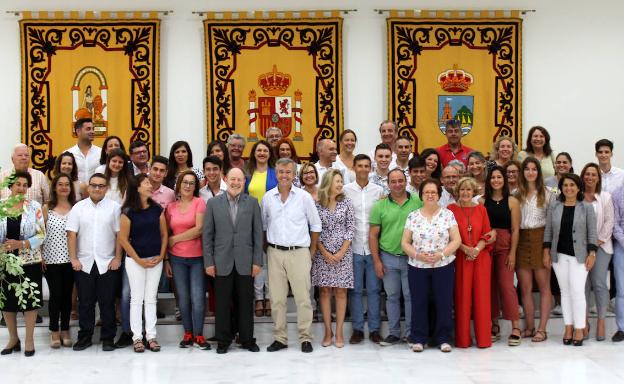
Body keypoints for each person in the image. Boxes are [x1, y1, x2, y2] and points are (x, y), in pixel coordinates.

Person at [262, 158, 322, 353]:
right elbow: (263, 226)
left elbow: (315, 225)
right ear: (276, 173)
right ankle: (280, 338)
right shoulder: (268, 198)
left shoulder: (304, 197)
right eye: (281, 172)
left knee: (303, 297)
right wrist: (268, 249)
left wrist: (311, 251)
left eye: (288, 172)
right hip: (275, 252)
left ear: (294, 174)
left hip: (299, 252)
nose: (284, 175)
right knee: (277, 299)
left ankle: (305, 337)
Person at [203, 168, 263, 354]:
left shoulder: (252, 203)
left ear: (244, 182)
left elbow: (257, 234)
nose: (236, 183)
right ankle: (223, 340)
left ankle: (246, 339)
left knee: (245, 303)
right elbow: (208, 236)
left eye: (239, 180)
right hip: (221, 262)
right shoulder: (213, 204)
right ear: (225, 180)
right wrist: (209, 262)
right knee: (222, 303)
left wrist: (257, 262)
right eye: (232, 179)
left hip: (246, 261)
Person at [401, 178, 461, 352]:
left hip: (443, 266)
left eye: (433, 192)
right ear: (421, 195)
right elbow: (405, 242)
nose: (430, 195)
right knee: (419, 302)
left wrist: (441, 254)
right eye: (426, 192)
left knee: (443, 301)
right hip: (418, 267)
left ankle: (443, 338)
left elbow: (456, 240)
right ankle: (419, 338)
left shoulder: (447, 215)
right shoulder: (413, 216)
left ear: (439, 195)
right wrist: (418, 255)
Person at [67, 173, 122, 352]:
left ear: (106, 188)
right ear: (88, 187)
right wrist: (73, 258)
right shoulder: (78, 208)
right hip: (84, 263)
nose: (97, 188)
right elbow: (72, 234)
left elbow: (119, 235)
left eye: (101, 185)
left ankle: (108, 338)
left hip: (107, 263)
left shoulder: (114, 207)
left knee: (107, 303)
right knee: (85, 303)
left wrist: (118, 258)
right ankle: (85, 337)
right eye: (94, 185)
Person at [369, 168, 423, 345]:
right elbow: (373, 235)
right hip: (388, 257)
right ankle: (393, 333)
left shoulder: (418, 201)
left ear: (406, 181)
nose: (397, 184)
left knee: (410, 296)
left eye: (400, 180)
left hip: (412, 258)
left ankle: (410, 333)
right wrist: (376, 261)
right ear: (388, 183)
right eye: (394, 181)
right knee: (392, 296)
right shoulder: (380, 205)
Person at [543, 173, 597, 346]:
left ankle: (580, 328)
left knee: (577, 291)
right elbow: (549, 231)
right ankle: (568, 326)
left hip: (580, 256)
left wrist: (592, 253)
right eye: (565, 185)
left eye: (572, 185)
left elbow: (592, 233)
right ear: (561, 188)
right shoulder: (555, 206)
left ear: (579, 187)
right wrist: (546, 251)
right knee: (565, 292)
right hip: (559, 255)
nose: (568, 188)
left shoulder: (587, 207)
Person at [118, 174, 167, 353]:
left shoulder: (157, 209)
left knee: (151, 298)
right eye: (146, 182)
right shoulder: (128, 211)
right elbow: (123, 239)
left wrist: (161, 256)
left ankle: (151, 336)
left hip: (155, 259)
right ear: (137, 188)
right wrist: (138, 259)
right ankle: (137, 337)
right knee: (136, 299)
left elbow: (164, 235)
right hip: (135, 261)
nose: (150, 185)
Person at [0, 171, 46, 357]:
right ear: (10, 186)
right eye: (17, 184)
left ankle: (29, 340)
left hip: (29, 261)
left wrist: (22, 244)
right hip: (5, 261)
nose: (21, 188)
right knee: (6, 302)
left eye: (24, 185)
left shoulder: (34, 206)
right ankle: (13, 338)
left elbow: (42, 234)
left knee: (30, 301)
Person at [165, 170, 210, 350]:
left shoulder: (200, 203)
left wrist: (175, 239)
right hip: (176, 259)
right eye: (185, 182)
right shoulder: (170, 207)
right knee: (183, 298)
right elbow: (166, 233)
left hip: (197, 258)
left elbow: (199, 229)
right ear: (179, 184)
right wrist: (167, 259)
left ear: (196, 186)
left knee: (198, 298)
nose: (188, 186)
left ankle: (199, 334)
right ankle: (188, 333)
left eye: (192, 183)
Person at [448, 177, 494, 348]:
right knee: (462, 298)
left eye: (468, 189)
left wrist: (476, 249)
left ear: (473, 191)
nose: (465, 193)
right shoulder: (450, 210)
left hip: (480, 257)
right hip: (461, 258)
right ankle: (463, 339)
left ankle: (483, 339)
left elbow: (488, 233)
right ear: (457, 192)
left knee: (482, 299)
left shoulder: (482, 209)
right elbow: (449, 236)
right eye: (462, 190)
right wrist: (465, 249)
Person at [343, 154, 384, 344]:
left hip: (373, 248)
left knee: (374, 290)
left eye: (367, 166)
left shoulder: (378, 191)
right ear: (354, 167)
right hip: (353, 247)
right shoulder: (345, 190)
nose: (363, 169)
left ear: (371, 168)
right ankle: (358, 329)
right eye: (360, 166)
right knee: (356, 290)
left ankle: (375, 329)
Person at [313, 169, 355, 348]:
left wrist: (340, 252)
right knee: (324, 291)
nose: (340, 184)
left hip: (343, 255)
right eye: (337, 181)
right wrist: (323, 251)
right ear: (328, 182)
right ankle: (327, 332)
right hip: (323, 255)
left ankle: (339, 333)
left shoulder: (346, 202)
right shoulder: (317, 204)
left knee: (341, 292)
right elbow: (315, 229)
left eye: (341, 181)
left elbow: (350, 228)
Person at [481, 166, 522, 346]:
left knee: (506, 285)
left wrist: (513, 253)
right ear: (488, 181)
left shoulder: (512, 201)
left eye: (499, 177)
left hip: (505, 246)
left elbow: (515, 230)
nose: (496, 180)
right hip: (487, 246)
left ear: (504, 180)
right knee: (489, 286)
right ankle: (493, 324)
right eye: (493, 177)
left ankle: (515, 326)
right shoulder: (482, 201)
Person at [515, 157, 555, 342]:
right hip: (522, 239)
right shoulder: (516, 194)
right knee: (525, 287)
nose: (530, 172)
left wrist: (547, 250)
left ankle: (542, 328)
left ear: (538, 172)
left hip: (541, 239)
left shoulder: (547, 193)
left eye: (534, 169)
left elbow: (552, 225)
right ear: (522, 172)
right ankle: (530, 327)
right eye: (527, 169)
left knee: (544, 286)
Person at [43, 173, 77, 349]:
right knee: (56, 295)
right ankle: (54, 330)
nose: (64, 187)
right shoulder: (46, 208)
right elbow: (40, 234)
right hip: (51, 259)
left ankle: (65, 329)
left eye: (67, 184)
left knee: (67, 297)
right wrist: (40, 255)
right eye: (60, 184)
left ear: (71, 188)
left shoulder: (76, 207)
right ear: (55, 187)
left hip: (71, 260)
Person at [581, 163, 614, 341]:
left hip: (601, 246)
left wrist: (596, 244)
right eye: (587, 174)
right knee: (583, 285)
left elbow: (609, 222)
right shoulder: (577, 197)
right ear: (582, 176)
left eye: (594, 174)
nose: (590, 177)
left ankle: (601, 321)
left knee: (599, 283)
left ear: (598, 178)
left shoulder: (605, 197)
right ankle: (584, 321)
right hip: (580, 248)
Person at [245, 140, 277, 316]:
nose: (262, 153)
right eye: (259, 150)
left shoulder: (275, 173)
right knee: (257, 262)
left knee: (270, 262)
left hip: (273, 223)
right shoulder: (248, 174)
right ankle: (259, 298)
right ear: (254, 153)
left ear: (270, 154)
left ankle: (270, 297)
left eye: (265, 150)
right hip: (252, 223)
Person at [66, 118, 102, 184]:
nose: (92, 132)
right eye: (88, 129)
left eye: (93, 129)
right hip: (75, 193)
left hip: (97, 193)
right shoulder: (68, 154)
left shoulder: (101, 153)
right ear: (78, 131)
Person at [612, 181, 624, 342]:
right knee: (621, 289)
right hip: (621, 246)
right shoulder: (617, 193)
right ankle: (622, 328)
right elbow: (615, 224)